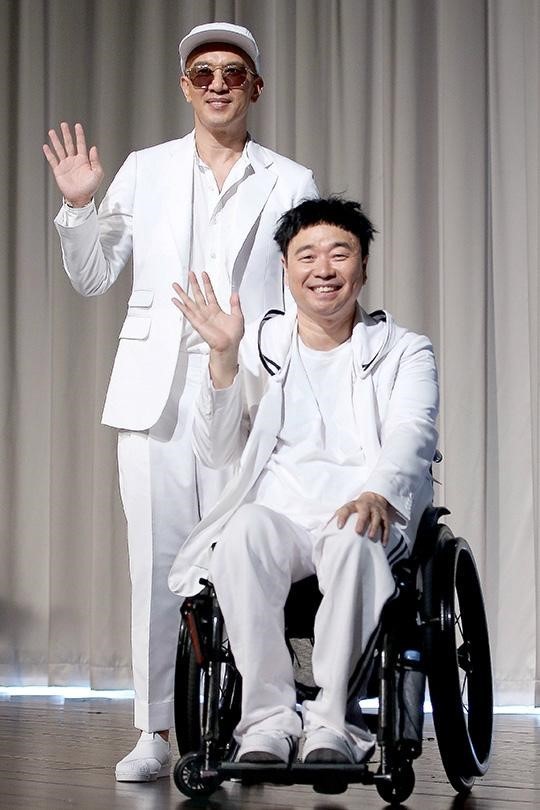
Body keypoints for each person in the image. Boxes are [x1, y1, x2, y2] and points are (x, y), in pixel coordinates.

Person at [42, 22, 318, 781]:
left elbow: (308, 289)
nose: (218, 84)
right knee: (157, 564)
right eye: (203, 74)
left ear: (255, 86)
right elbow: (94, 276)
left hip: (247, 386)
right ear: (185, 88)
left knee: (236, 558)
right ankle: (155, 729)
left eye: (232, 72)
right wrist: (79, 208)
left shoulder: (290, 180)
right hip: (154, 391)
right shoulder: (146, 168)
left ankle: (248, 718)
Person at [168, 197, 439, 765]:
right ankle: (266, 721)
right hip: (283, 518)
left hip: (363, 513)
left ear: (363, 267)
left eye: (340, 254)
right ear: (286, 268)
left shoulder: (405, 350)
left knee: (354, 534)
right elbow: (215, 449)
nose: (324, 269)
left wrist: (378, 492)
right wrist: (223, 358)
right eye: (307, 255)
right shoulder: (260, 344)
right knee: (240, 534)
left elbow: (413, 430)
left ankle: (334, 724)